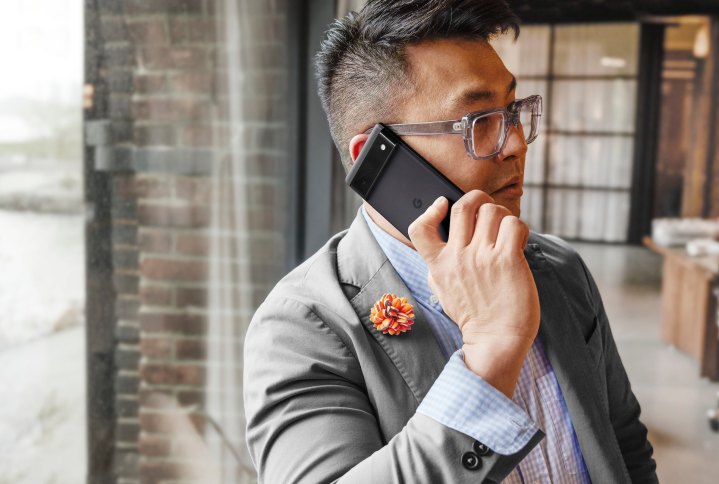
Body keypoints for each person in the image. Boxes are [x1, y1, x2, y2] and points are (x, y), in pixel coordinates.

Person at [243, 0, 658, 482]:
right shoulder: (302, 328)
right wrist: (489, 354)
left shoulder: (559, 269)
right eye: (480, 122)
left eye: (512, 111)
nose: (518, 144)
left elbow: (622, 440)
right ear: (376, 157)